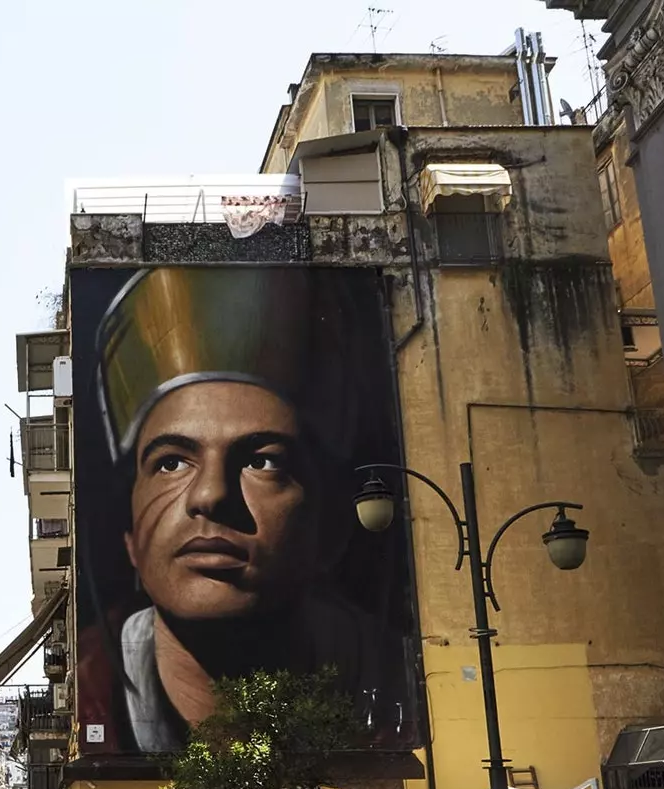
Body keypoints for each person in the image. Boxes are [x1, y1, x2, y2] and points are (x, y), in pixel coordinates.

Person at [74, 266, 411, 754]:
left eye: (262, 461)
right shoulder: (93, 696)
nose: (210, 495)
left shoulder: (395, 688)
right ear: (129, 535)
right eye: (170, 462)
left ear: (332, 524)